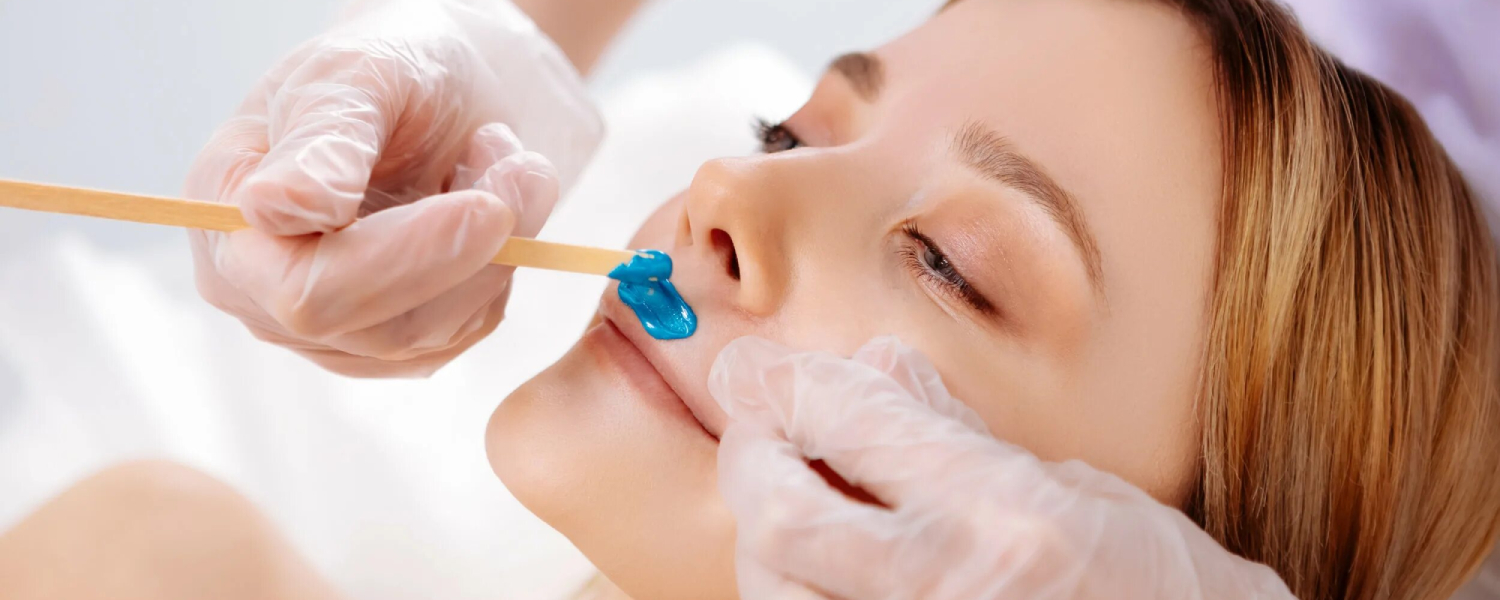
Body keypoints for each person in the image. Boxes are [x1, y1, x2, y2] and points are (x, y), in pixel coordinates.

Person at [3, 2, 1497, 600]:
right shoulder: (147, 555)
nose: (724, 188)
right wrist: (508, 31)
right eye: (793, 132)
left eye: (949, 263)